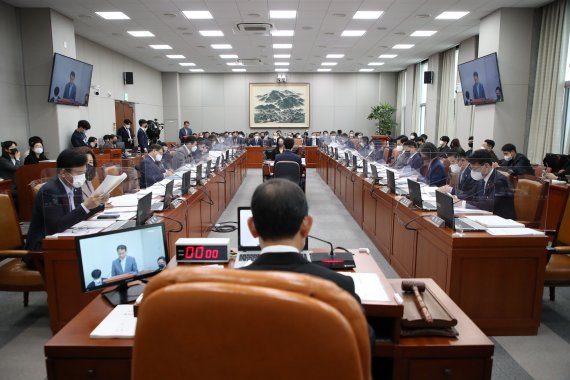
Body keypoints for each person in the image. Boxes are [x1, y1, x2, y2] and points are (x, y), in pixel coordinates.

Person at [241, 179, 375, 349]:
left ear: (252, 227)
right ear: (306, 226)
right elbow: (363, 344)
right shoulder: (339, 286)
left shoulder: (227, 286)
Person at [25, 149, 108, 255]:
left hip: (67, 238)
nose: (82, 177)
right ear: (63, 172)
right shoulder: (50, 191)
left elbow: (79, 215)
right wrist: (85, 206)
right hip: (43, 248)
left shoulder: (75, 186)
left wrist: (98, 202)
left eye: (84, 172)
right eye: (79, 173)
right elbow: (56, 226)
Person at [467, 150, 516, 220]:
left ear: (486, 166)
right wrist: (455, 198)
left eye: (475, 169)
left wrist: (465, 204)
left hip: (501, 221)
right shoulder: (482, 179)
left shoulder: (499, 181)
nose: (473, 172)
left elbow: (489, 204)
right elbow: (471, 194)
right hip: (487, 217)